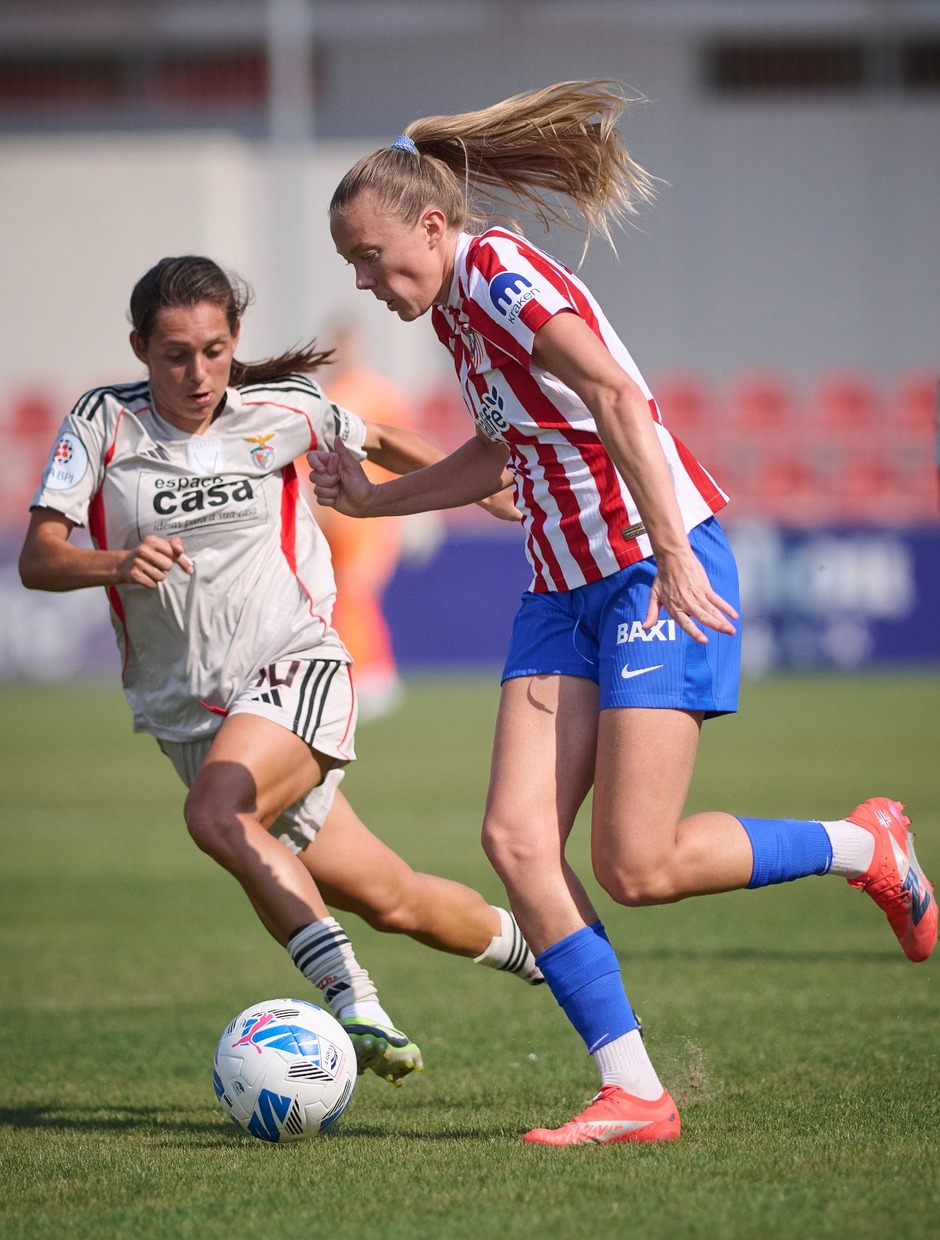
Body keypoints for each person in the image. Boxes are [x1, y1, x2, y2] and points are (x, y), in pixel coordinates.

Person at [311, 80, 938, 1143]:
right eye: (351, 267)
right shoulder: (458, 314)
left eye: (372, 256)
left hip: (646, 568)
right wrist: (376, 497)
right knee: (515, 841)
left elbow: (617, 399)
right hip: (558, 587)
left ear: (431, 222)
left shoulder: (498, 275)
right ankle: (635, 1091)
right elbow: (507, 454)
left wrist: (669, 551)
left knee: (636, 866)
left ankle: (863, 844)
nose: (365, 281)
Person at [18, 254, 542, 1090]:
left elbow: (386, 439)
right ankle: (556, 955)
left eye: (217, 350)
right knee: (392, 897)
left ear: (235, 344)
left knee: (216, 813)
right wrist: (117, 563)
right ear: (139, 348)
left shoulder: (283, 408)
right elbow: (39, 557)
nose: (199, 373)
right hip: (191, 716)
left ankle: (354, 1001)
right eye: (177, 354)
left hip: (295, 666)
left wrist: (482, 491)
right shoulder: (102, 424)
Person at [310, 321, 427, 720]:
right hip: (332, 512)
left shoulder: (377, 394)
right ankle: (363, 671)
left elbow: (406, 450)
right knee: (342, 594)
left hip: (373, 511)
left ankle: (371, 675)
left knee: (357, 590)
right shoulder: (323, 395)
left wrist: (414, 510)